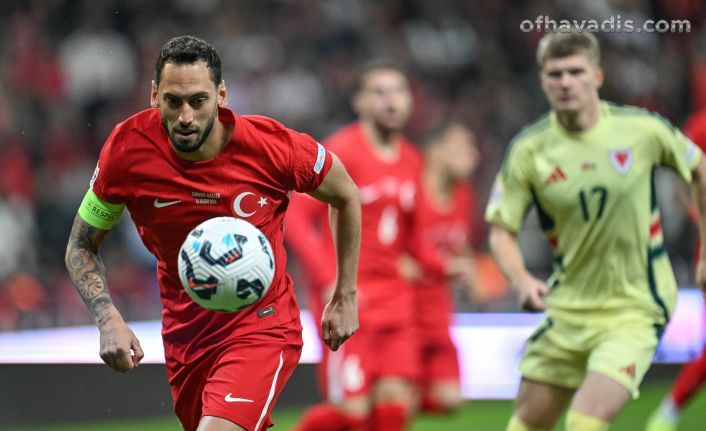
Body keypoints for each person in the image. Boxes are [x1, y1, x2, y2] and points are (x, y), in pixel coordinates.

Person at [64, 35, 361, 431]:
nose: (185, 116)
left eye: (198, 101)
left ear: (221, 95)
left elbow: (345, 194)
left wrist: (345, 295)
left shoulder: (272, 147)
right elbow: (81, 245)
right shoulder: (126, 150)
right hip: (187, 336)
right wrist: (108, 319)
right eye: (173, 101)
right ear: (154, 96)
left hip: (263, 325)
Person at [485, 30, 706, 431]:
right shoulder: (529, 150)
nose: (566, 82)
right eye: (555, 74)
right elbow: (501, 229)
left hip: (634, 307)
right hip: (567, 307)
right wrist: (520, 280)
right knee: (524, 426)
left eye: (575, 71)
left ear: (597, 77)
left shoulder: (642, 130)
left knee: (584, 423)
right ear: (542, 81)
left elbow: (699, 169)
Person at [287, 60, 422, 431]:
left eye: (398, 91)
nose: (391, 101)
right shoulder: (341, 151)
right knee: (351, 412)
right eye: (380, 92)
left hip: (396, 299)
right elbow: (297, 218)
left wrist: (418, 261)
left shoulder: (412, 159)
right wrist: (329, 280)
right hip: (351, 297)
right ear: (359, 102)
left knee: (394, 406)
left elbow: (413, 230)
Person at [406, 122, 481, 414]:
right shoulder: (409, 192)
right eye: (463, 148)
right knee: (396, 403)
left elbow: (459, 244)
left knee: (451, 400)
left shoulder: (464, 195)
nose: (473, 155)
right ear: (435, 153)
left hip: (437, 312)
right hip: (405, 311)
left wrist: (470, 274)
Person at [646, 106, 706, 431]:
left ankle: (669, 412)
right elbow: (679, 180)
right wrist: (698, 217)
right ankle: (669, 411)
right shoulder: (700, 126)